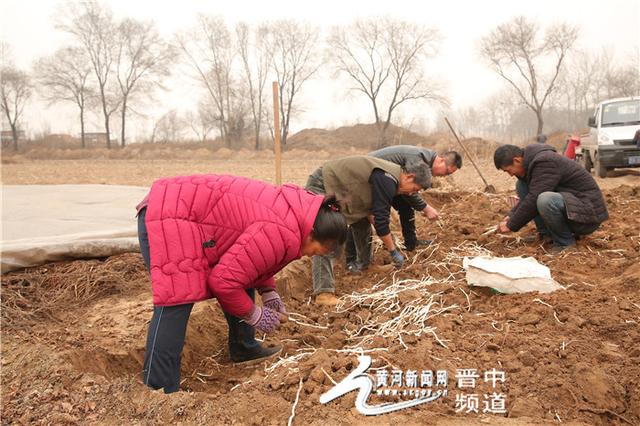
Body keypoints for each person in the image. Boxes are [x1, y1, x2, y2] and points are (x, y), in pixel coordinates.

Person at [136, 174, 347, 393]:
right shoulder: (282, 229)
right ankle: (158, 388)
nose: (313, 256)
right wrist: (253, 314)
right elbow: (224, 282)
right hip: (170, 214)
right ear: (312, 234)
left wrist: (268, 290)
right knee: (177, 299)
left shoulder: (295, 216)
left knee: (238, 275)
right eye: (320, 251)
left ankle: (243, 348)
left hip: (190, 212)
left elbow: (250, 256)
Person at [305, 155, 431, 306]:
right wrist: (393, 251)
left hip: (344, 189)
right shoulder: (388, 179)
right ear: (410, 177)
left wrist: (375, 218)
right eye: (414, 189)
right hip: (324, 183)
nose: (411, 193)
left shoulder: (391, 177)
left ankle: (365, 265)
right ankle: (323, 293)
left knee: (362, 222)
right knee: (327, 235)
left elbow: (374, 212)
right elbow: (381, 223)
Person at [341, 146, 462, 273]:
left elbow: (408, 189)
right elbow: (409, 187)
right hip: (366, 179)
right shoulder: (418, 160)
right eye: (447, 172)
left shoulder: (424, 159)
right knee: (361, 216)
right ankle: (353, 261)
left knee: (405, 204)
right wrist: (426, 208)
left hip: (383, 180)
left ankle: (411, 242)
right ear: (442, 161)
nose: (445, 176)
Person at [493, 144, 609, 253]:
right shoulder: (533, 164)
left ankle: (565, 243)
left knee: (545, 199)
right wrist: (511, 216)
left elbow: (534, 199)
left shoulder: (545, 161)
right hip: (572, 208)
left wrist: (511, 224)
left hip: (587, 215)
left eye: (508, 170)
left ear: (517, 160)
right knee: (522, 185)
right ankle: (547, 235)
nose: (511, 175)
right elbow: (529, 198)